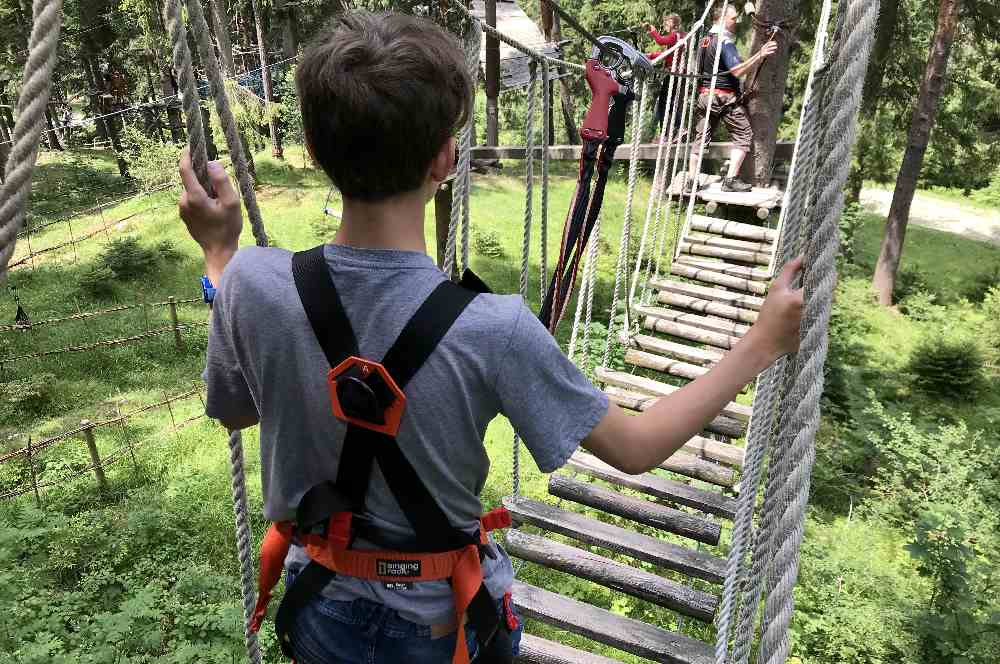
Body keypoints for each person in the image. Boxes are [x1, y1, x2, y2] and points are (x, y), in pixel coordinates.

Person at [176, 10, 803, 664]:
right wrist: (760, 343)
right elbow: (636, 448)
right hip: (442, 631)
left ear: (310, 146)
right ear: (446, 158)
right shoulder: (494, 328)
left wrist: (219, 256)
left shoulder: (251, 281)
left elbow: (235, 409)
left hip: (318, 615)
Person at [686, 4, 776, 194]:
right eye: (733, 19)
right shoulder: (724, 42)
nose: (736, 23)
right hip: (722, 99)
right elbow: (737, 71)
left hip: (704, 97)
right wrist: (760, 54)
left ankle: (692, 180)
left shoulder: (703, 41)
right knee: (744, 134)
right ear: (722, 18)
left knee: (701, 138)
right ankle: (731, 180)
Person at [644, 14, 686, 132]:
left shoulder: (675, 36)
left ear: (674, 24)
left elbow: (661, 41)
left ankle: (671, 130)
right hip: (678, 73)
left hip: (673, 73)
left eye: (667, 23)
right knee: (668, 101)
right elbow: (668, 54)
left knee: (664, 102)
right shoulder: (680, 36)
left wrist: (653, 32)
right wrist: (650, 55)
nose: (665, 26)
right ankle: (674, 129)